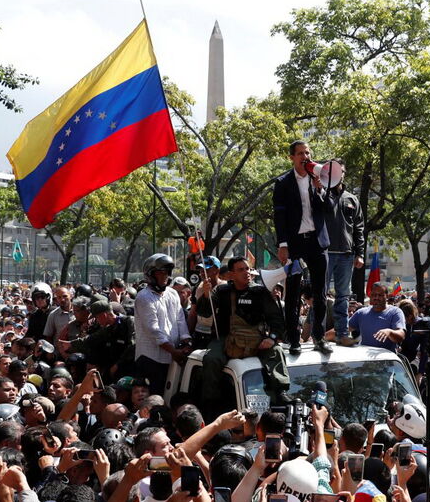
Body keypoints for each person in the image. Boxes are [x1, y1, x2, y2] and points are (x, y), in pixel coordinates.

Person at [196, 256, 289, 415]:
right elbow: (204, 311)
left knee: (277, 352)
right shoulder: (221, 291)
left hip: (257, 340)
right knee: (211, 359)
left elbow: (277, 320)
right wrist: (205, 295)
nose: (246, 273)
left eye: (247, 269)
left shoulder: (260, 292)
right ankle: (211, 403)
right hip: (226, 339)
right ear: (231, 275)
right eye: (241, 270)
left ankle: (280, 392)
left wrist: (271, 338)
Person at [272, 140, 331, 354]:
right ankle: (294, 339)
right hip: (295, 243)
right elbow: (279, 216)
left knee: (320, 292)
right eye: (300, 153)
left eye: (307, 152)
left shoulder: (319, 179)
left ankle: (319, 337)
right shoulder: (283, 183)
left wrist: (320, 190)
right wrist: (283, 244)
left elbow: (328, 209)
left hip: (317, 242)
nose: (305, 156)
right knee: (294, 292)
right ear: (292, 158)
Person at [321, 159, 365, 347]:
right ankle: (317, 333)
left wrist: (359, 253)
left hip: (346, 254)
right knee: (319, 295)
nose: (339, 174)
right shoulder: (320, 195)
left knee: (343, 297)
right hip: (324, 253)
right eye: (334, 171)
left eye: (342, 171)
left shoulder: (352, 199)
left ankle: (341, 334)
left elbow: (359, 228)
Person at [134, 254, 192, 394]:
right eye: (161, 272)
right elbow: (153, 330)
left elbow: (180, 320)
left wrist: (187, 341)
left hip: (172, 358)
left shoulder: (172, 293)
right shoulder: (144, 297)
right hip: (150, 359)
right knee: (152, 400)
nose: (165, 276)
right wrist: (173, 351)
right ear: (151, 274)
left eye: (167, 272)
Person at [347, 283, 406, 351]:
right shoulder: (361, 313)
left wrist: (389, 332)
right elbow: (343, 329)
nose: (376, 298)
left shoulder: (395, 312)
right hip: (365, 358)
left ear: (386, 296)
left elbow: (401, 335)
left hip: (386, 359)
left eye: (380, 295)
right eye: (374, 295)